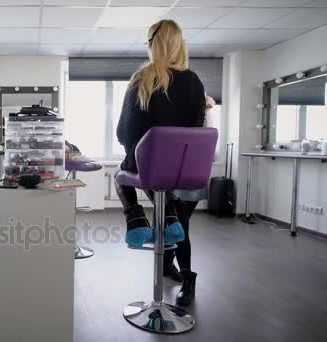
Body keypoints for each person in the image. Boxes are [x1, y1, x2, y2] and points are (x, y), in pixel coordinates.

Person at [115, 19, 206, 305]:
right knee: (179, 218)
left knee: (120, 175)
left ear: (153, 43)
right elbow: (196, 127)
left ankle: (137, 219)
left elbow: (124, 132)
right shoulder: (195, 81)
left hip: (152, 171)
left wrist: (135, 155)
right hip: (187, 171)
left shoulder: (143, 78)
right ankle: (184, 276)